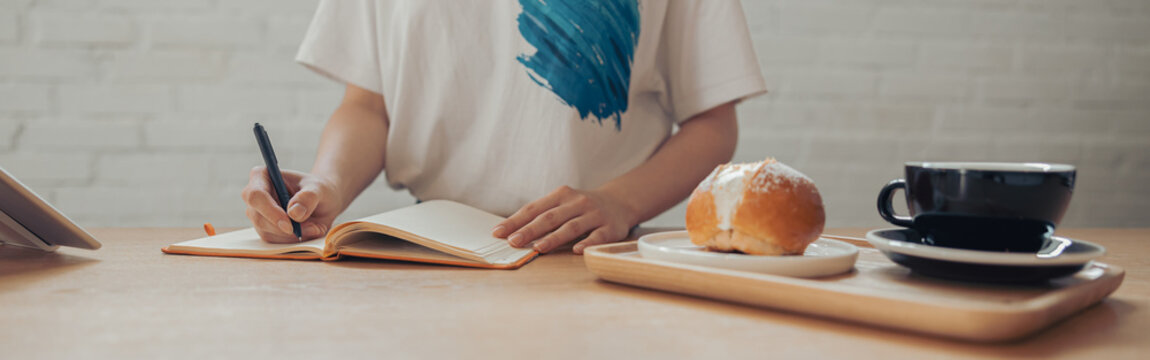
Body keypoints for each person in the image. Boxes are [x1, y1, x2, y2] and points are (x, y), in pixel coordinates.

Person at [241, 0, 766, 254]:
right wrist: (327, 183)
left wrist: (621, 202)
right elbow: (368, 106)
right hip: (430, 256)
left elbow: (712, 122)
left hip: (593, 255)